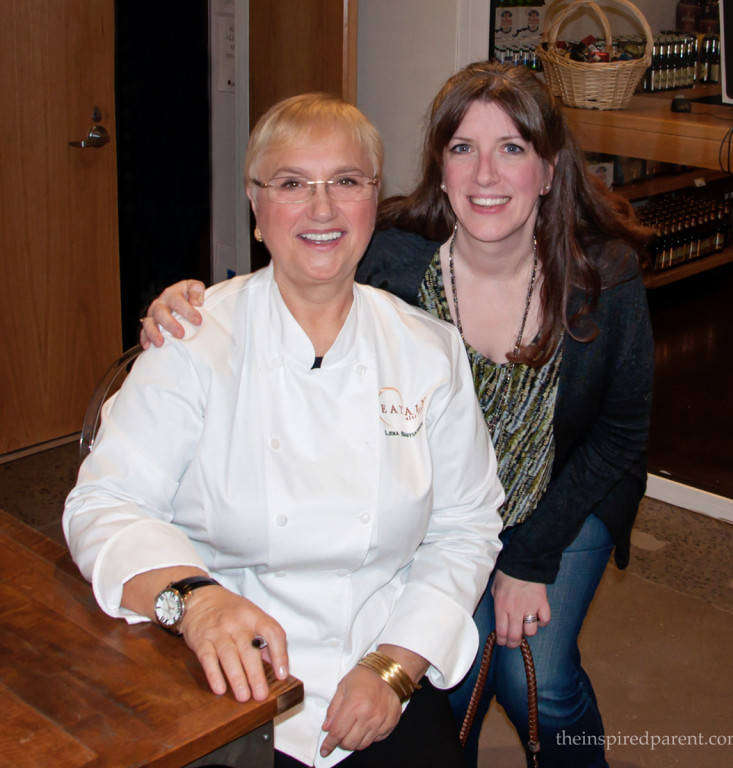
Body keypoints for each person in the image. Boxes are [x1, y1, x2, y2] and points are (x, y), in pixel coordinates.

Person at [141, 61, 654, 768]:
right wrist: (190, 303)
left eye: (512, 148)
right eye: (462, 148)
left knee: (537, 674)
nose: (485, 174)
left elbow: (621, 433)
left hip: (562, 496)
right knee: (454, 675)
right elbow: (301, 263)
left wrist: (529, 558)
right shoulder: (392, 254)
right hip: (429, 495)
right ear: (439, 169)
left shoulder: (604, 274)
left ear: (549, 168)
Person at [64, 92, 506, 768]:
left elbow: (466, 528)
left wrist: (394, 667)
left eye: (346, 183)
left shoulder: (428, 351)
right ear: (256, 207)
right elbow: (104, 503)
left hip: (381, 661)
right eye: (293, 183)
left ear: (373, 201)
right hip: (218, 672)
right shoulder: (192, 339)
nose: (322, 209)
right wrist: (195, 604)